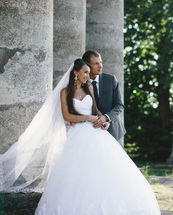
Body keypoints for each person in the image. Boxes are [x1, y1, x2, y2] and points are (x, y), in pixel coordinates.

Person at [0, 59, 161, 214]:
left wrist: (103, 120)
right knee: (78, 171)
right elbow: (67, 117)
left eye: (88, 73)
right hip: (77, 136)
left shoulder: (88, 89)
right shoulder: (65, 92)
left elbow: (95, 110)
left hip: (96, 134)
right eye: (85, 72)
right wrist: (87, 118)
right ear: (75, 73)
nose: (87, 76)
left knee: (104, 170)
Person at [82, 50, 126, 141]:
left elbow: (119, 105)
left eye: (101, 62)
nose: (100, 66)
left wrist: (106, 117)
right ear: (87, 65)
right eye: (96, 63)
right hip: (88, 131)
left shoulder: (111, 80)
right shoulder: (81, 83)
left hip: (112, 130)